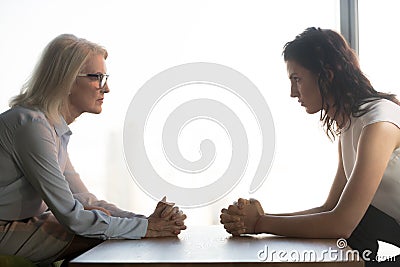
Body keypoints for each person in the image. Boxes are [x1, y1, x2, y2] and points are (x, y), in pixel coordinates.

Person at [0, 34, 187, 266]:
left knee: (103, 218)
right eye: (97, 77)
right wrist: (148, 227)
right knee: (103, 232)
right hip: (4, 230)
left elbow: (81, 197)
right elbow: (73, 217)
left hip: (22, 224)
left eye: (104, 77)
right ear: (66, 80)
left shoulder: (49, 128)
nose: (106, 88)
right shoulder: (31, 127)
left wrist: (146, 220)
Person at [220, 27, 400, 266]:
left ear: (327, 75)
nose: (293, 93)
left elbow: (341, 223)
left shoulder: (379, 122)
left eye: (297, 79)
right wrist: (259, 219)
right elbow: (331, 207)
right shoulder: (349, 125)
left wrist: (259, 224)